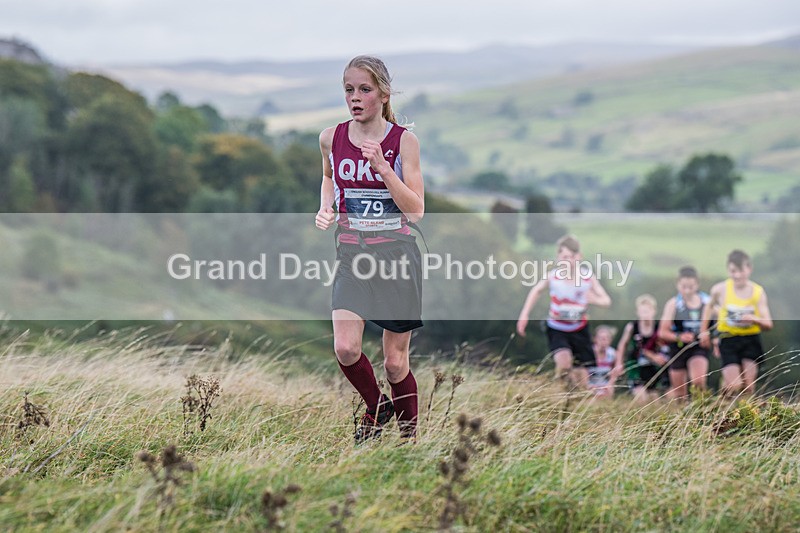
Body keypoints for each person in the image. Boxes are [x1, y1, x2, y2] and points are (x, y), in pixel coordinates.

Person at [315, 56, 425, 443]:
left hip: (396, 258)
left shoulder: (402, 141)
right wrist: (325, 205)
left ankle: (409, 443)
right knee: (345, 348)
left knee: (395, 364)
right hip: (352, 256)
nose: (355, 98)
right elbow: (329, 177)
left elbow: (416, 210)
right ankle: (377, 408)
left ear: (383, 93)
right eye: (349, 89)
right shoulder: (331, 137)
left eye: (364, 89)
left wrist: (383, 167)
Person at [516, 235, 612, 389]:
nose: (567, 261)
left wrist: (593, 299)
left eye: (571, 257)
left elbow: (606, 301)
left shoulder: (587, 277)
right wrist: (524, 315)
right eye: (564, 257)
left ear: (579, 257)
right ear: (558, 258)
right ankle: (560, 398)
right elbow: (536, 290)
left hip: (580, 330)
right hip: (557, 328)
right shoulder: (553, 276)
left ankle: (576, 402)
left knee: (582, 378)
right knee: (564, 364)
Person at [701, 250, 772, 397]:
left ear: (749, 269)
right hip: (728, 339)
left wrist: (753, 319)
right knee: (735, 385)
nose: (737, 275)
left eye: (740, 271)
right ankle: (726, 390)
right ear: (728, 270)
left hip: (751, 340)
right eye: (733, 271)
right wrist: (704, 331)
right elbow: (708, 307)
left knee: (748, 387)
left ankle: (741, 418)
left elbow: (768, 324)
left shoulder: (758, 292)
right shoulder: (719, 290)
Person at [658, 266, 711, 399]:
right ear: (678, 284)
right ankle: (683, 418)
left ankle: (701, 413)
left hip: (698, 347)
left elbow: (720, 323)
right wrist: (679, 337)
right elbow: (662, 332)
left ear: (697, 284)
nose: (687, 290)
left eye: (691, 287)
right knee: (680, 394)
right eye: (683, 286)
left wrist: (711, 337)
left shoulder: (707, 302)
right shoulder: (673, 304)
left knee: (698, 382)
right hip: (677, 349)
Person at [616, 294, 668, 402]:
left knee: (654, 401)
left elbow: (666, 346)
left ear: (654, 311)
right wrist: (619, 363)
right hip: (636, 367)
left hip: (654, 368)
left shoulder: (659, 327)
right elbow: (622, 345)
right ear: (637, 312)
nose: (645, 314)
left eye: (648, 311)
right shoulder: (632, 327)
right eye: (643, 311)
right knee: (641, 398)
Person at [588, 325, 621, 398]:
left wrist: (610, 384)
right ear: (595, 339)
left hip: (606, 385)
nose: (604, 341)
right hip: (590, 385)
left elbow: (615, 372)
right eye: (601, 338)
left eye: (607, 338)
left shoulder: (613, 354)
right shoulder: (588, 353)